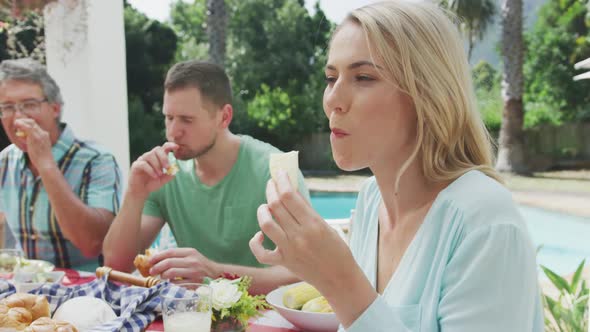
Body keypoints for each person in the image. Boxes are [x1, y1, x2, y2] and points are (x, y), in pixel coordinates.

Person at [249, 1, 544, 331]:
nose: (333, 99)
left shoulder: (484, 222)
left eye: (363, 77)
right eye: (331, 78)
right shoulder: (371, 200)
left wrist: (339, 280)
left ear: (428, 93)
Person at [103, 60, 310, 294]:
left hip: (267, 318)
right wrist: (135, 192)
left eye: (187, 120)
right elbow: (115, 266)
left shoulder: (272, 170)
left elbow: (305, 272)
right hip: (191, 315)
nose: (173, 131)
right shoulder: (164, 175)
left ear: (224, 117)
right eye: (168, 118)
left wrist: (215, 272)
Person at [0, 58, 122, 271]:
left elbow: (92, 244)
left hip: (87, 294)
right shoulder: (4, 162)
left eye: (29, 105)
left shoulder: (96, 160)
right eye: (8, 107)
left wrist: (46, 165)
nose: (18, 117)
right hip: (27, 293)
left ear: (55, 108)